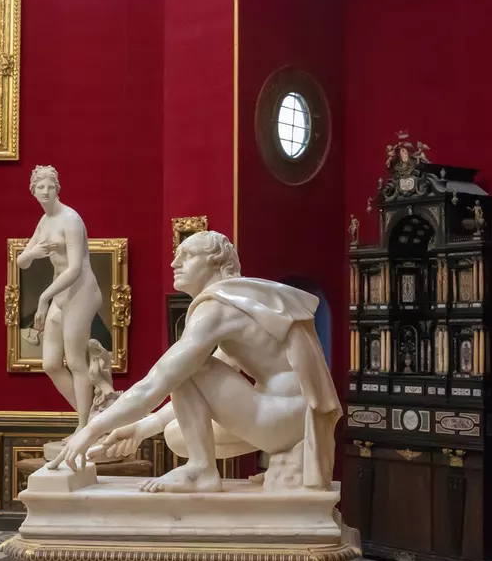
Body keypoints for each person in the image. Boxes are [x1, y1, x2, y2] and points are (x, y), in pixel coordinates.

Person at [49, 231, 340, 494]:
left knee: (187, 367)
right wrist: (141, 428)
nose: (175, 262)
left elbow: (162, 379)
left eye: (187, 256)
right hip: (295, 419)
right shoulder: (240, 303)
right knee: (176, 436)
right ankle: (270, 459)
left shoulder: (216, 309)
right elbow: (205, 387)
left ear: (215, 264)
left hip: (284, 416)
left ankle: (201, 469)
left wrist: (89, 430)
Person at [19, 165, 100, 434]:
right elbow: (22, 261)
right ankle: (94, 421)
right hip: (61, 292)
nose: (45, 191)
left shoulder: (71, 219)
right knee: (51, 364)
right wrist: (35, 252)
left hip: (81, 290)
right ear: (32, 191)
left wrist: (43, 298)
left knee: (76, 361)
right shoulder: (44, 222)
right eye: (40, 187)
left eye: (50, 187)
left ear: (57, 189)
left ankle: (83, 427)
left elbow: (75, 268)